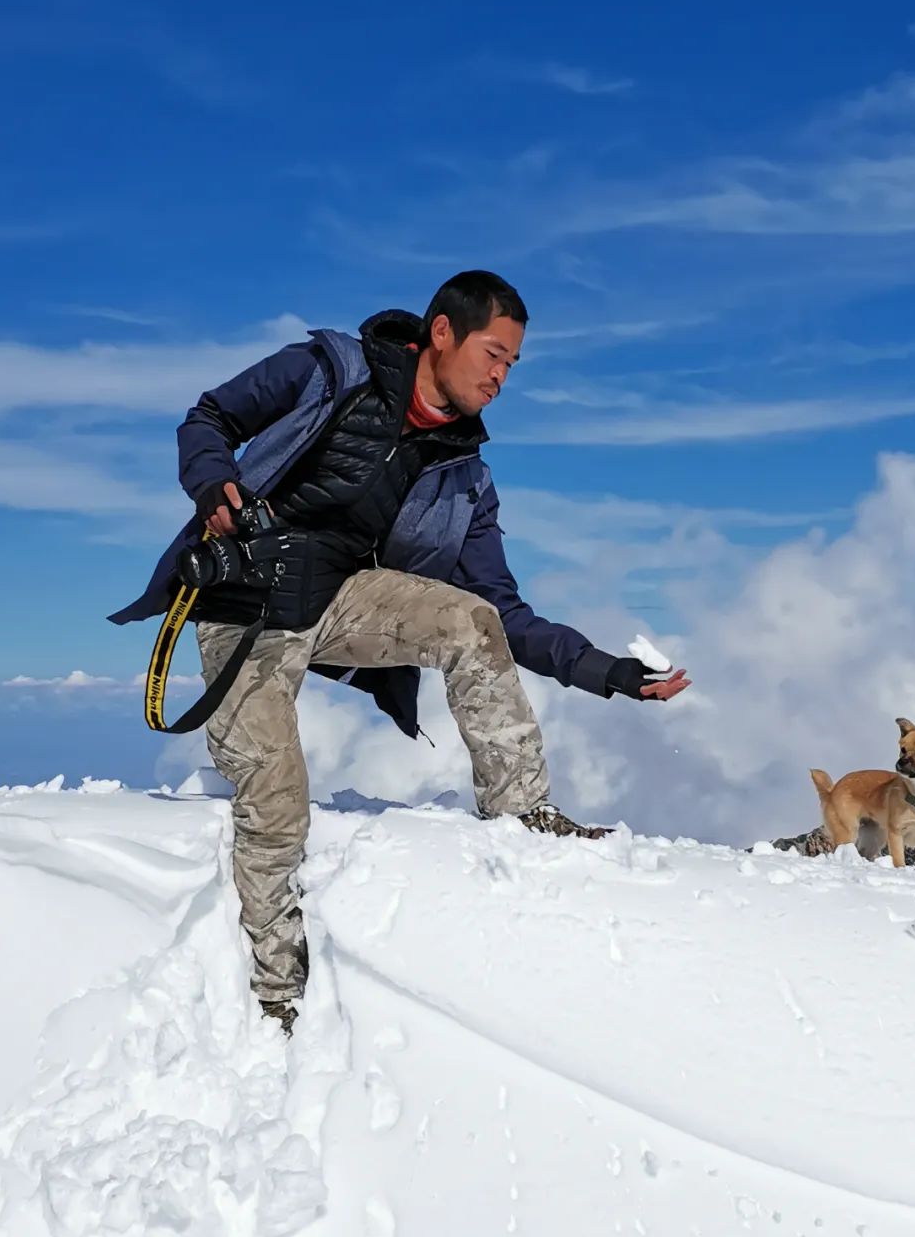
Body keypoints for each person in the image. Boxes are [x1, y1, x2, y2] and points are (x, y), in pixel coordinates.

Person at [113, 272, 688, 1029]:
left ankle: (523, 810)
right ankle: (276, 994)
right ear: (441, 334)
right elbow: (209, 416)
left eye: (513, 364)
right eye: (494, 353)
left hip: (345, 599)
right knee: (276, 790)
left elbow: (505, 615)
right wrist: (214, 485)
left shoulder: (465, 477)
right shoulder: (329, 370)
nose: (501, 376)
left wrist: (606, 671)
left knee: (470, 622)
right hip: (244, 601)